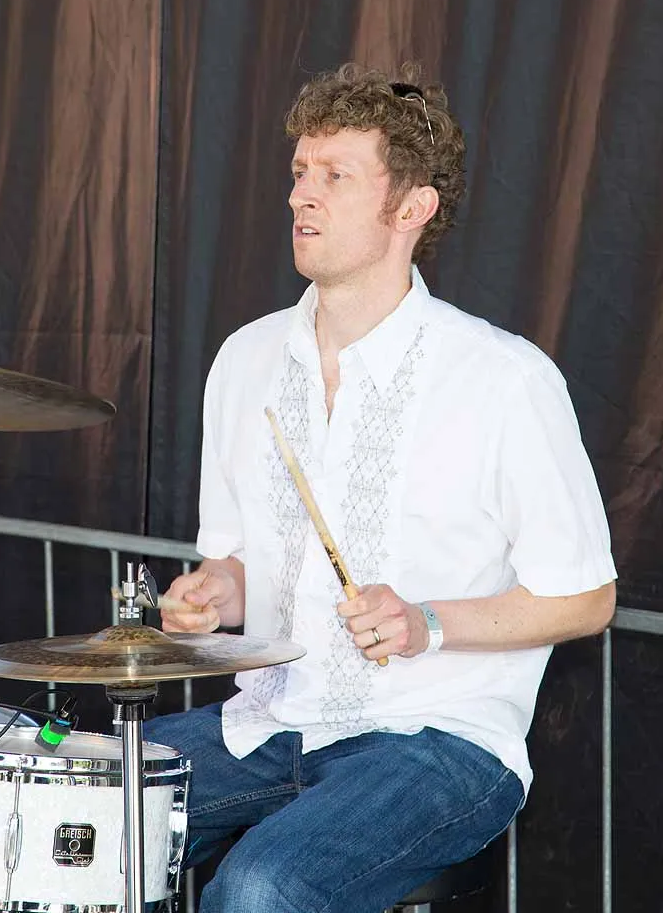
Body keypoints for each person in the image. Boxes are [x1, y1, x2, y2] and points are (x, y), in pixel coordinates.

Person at [144, 63, 617, 913]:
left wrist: (427, 623)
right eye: (300, 171)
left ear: (411, 208)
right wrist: (215, 594)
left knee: (261, 884)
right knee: (72, 805)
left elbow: (585, 598)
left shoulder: (503, 378)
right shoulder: (246, 360)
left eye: (335, 175)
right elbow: (240, 564)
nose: (301, 195)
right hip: (269, 720)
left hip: (438, 738)